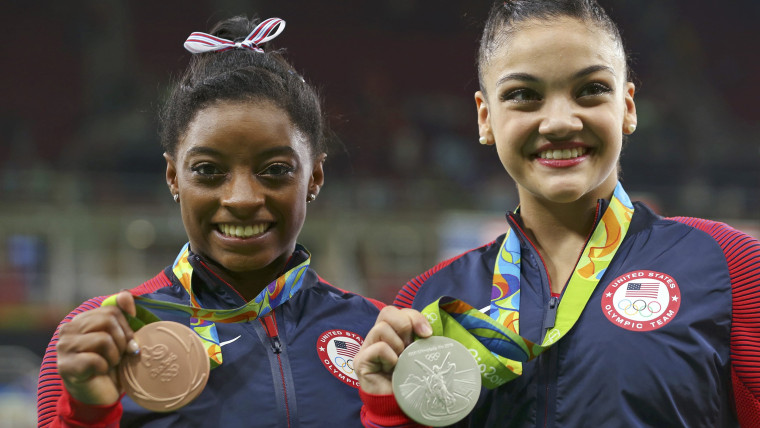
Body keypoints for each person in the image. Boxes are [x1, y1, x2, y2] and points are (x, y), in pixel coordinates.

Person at [354, 1, 760, 426]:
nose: (559, 122)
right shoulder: (426, 302)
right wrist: (388, 413)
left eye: (590, 89)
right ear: (486, 117)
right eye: (523, 96)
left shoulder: (729, 266)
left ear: (627, 106)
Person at [37, 15, 383, 427]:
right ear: (173, 177)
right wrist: (87, 414)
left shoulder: (375, 333)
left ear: (315, 176)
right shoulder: (102, 338)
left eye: (274, 169)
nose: (241, 199)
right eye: (207, 170)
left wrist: (392, 413)